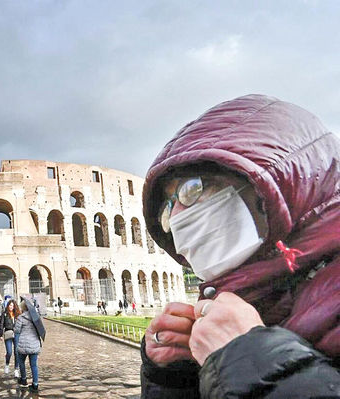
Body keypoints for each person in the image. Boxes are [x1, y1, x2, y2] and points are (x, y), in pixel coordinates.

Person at [140, 94, 340, 398]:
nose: (177, 217)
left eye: (193, 188)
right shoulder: (248, 299)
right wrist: (175, 378)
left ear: (275, 184)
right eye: (167, 209)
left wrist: (252, 360)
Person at [14, 300, 42, 392]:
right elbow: (40, 329)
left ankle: (24, 380)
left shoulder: (21, 318)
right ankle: (35, 384)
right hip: (34, 344)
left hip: (23, 344)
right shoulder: (36, 318)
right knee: (34, 365)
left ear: (22, 308)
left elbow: (17, 331)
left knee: (21, 362)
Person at [0, 299, 20, 378]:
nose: (11, 307)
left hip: (16, 334)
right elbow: (1, 324)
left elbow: (21, 324)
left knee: (17, 352)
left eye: (13, 306)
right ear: (8, 306)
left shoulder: (17, 314)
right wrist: (0, 334)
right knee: (9, 352)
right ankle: (7, 365)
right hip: (8, 333)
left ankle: (16, 369)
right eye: (10, 305)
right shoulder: (4, 314)